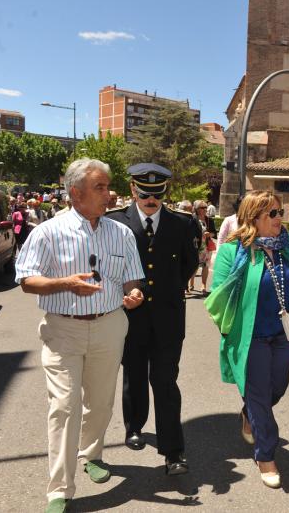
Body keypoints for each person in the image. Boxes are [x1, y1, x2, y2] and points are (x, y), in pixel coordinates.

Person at [14, 158, 144, 513]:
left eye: (108, 186)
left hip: (110, 325)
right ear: (76, 193)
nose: (109, 193)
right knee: (64, 407)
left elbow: (131, 278)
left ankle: (92, 455)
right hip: (63, 328)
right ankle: (59, 489)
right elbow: (27, 280)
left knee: (100, 402)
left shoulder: (122, 232)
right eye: (100, 187)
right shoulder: (47, 232)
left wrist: (134, 294)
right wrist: (64, 284)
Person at [207, 190, 289, 489]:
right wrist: (230, 328)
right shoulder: (234, 250)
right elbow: (219, 294)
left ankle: (249, 413)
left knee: (276, 389)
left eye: (280, 212)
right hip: (251, 336)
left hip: (285, 333)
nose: (281, 219)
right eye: (274, 214)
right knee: (258, 395)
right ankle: (266, 455)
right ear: (253, 218)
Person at [105, 163, 200, 476]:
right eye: (144, 193)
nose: (151, 200)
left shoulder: (183, 224)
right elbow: (109, 269)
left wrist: (166, 291)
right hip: (130, 316)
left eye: (157, 194)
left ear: (165, 193)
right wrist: (124, 293)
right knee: (133, 373)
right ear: (133, 190)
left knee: (165, 380)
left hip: (169, 316)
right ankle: (134, 425)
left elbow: (187, 266)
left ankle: (174, 451)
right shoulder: (115, 222)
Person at [190, 200, 217, 294]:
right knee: (194, 266)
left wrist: (210, 234)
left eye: (206, 207)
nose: (205, 209)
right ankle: (191, 283)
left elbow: (215, 233)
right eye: (202, 207)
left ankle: (203, 285)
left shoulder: (209, 220)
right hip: (195, 246)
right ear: (197, 209)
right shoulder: (192, 219)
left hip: (206, 247)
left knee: (206, 266)